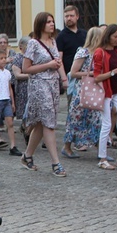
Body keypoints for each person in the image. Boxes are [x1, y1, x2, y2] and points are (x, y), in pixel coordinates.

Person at [20, 12, 69, 176]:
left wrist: (64, 79)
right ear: (41, 24)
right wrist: (48, 65)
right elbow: (26, 69)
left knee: (42, 123)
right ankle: (56, 162)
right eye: (48, 22)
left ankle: (27, 156)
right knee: (48, 123)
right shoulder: (33, 43)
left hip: (53, 84)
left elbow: (58, 62)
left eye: (53, 21)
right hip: (39, 84)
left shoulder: (53, 41)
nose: (52, 24)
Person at [62, 27, 103, 158]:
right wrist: (91, 73)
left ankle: (100, 151)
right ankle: (67, 147)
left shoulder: (100, 52)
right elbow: (73, 73)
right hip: (82, 90)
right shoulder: (83, 52)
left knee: (97, 120)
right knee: (76, 119)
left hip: (96, 90)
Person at [94, 24, 117, 170]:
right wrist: (115, 71)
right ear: (108, 36)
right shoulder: (99, 52)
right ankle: (102, 158)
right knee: (107, 124)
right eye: (115, 36)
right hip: (105, 92)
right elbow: (97, 77)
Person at [57, 5, 88, 104]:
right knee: (73, 106)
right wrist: (64, 79)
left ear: (77, 16)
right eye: (66, 16)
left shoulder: (84, 34)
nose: (69, 18)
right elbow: (59, 59)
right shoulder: (61, 36)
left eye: (71, 16)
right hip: (71, 77)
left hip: (86, 76)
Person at [10, 36, 30, 122]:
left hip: (31, 86)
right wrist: (32, 74)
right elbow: (17, 75)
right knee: (24, 110)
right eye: (28, 45)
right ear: (22, 46)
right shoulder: (18, 58)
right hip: (22, 88)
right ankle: (24, 127)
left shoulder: (31, 57)